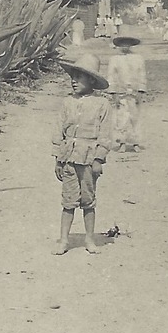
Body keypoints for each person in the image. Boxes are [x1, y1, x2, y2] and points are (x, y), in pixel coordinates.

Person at [53, 52, 112, 255]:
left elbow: (105, 135)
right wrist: (58, 159)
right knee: (68, 201)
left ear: (92, 80)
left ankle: (89, 239)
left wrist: (98, 159)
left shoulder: (102, 104)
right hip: (69, 158)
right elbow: (59, 131)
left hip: (88, 160)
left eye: (79, 77)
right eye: (73, 77)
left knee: (88, 201)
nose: (73, 81)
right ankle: (63, 240)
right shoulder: (67, 102)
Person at [106, 34, 148, 151]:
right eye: (122, 44)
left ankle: (136, 143)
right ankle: (122, 142)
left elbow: (142, 75)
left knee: (135, 117)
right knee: (121, 118)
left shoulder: (138, 58)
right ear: (119, 45)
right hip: (121, 92)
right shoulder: (114, 59)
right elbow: (111, 76)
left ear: (131, 45)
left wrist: (140, 91)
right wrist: (113, 93)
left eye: (127, 44)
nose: (125, 46)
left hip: (134, 93)